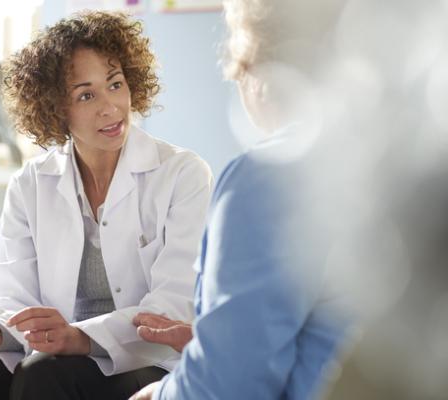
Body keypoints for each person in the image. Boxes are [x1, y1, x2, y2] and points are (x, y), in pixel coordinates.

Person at [0, 11, 213, 400]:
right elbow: (10, 293)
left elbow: (173, 306)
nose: (110, 107)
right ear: (56, 108)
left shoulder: (182, 174)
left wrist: (80, 336)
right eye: (86, 95)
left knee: (47, 373)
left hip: (147, 361)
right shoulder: (31, 183)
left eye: (115, 84)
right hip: (50, 355)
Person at [130, 0, 362, 398]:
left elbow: (228, 388)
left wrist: (161, 395)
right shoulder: (398, 164)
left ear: (249, 63)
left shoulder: (266, 177)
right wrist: (215, 341)